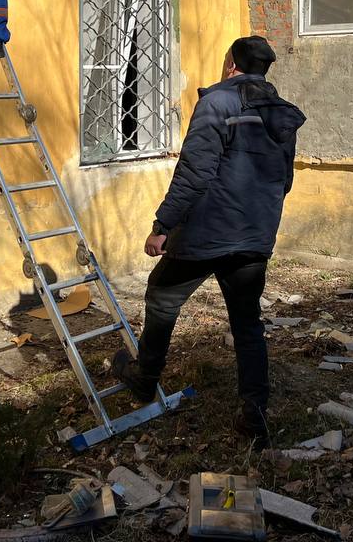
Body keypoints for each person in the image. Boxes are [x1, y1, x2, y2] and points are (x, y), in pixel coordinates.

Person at [111, 36, 306, 445]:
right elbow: (284, 179)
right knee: (247, 323)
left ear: (231, 65)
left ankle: (144, 378)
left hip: (208, 232)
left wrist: (162, 225)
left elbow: (195, 173)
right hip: (253, 237)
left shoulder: (217, 103)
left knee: (162, 295)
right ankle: (255, 415)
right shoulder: (280, 114)